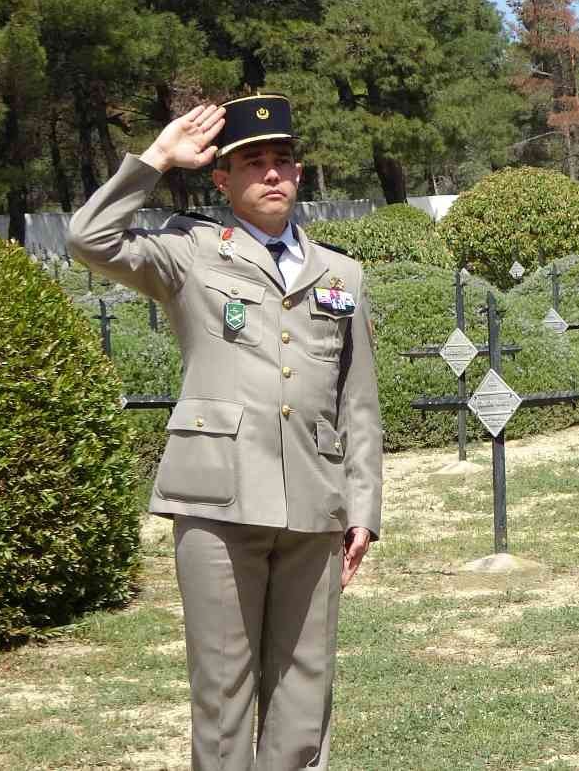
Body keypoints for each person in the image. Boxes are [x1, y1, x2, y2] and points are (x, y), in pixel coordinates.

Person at [68, 95, 382, 770]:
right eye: (253, 163)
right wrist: (156, 158)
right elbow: (87, 239)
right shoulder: (189, 252)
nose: (272, 174)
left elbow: (357, 403)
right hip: (217, 505)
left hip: (314, 506)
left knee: (305, 689)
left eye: (283, 162)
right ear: (223, 179)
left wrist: (363, 510)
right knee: (223, 692)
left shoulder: (341, 274)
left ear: (299, 173)